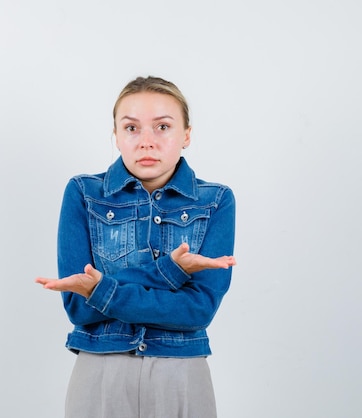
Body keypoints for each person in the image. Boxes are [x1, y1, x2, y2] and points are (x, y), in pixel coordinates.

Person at [35, 76, 236, 418]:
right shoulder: (84, 194)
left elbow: (197, 311)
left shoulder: (215, 201)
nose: (146, 142)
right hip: (100, 368)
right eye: (131, 128)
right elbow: (79, 309)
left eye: (162, 127)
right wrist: (171, 272)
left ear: (186, 134)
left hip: (181, 371)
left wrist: (102, 291)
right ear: (115, 135)